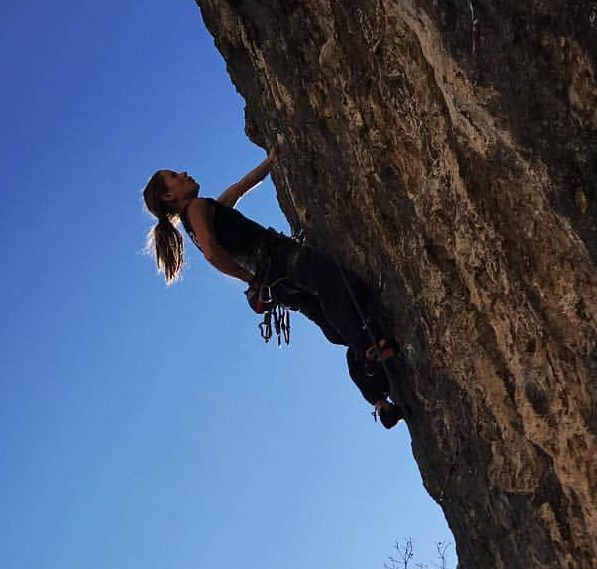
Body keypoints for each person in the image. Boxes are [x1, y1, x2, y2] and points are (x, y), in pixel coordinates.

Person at [142, 153, 404, 427]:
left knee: (334, 323)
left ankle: (379, 401)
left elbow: (243, 185)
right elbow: (211, 252)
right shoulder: (196, 208)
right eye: (174, 177)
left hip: (276, 285)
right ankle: (370, 350)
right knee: (336, 285)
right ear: (168, 197)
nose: (183, 173)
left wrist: (272, 159)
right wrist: (249, 279)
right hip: (280, 260)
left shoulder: (204, 213)